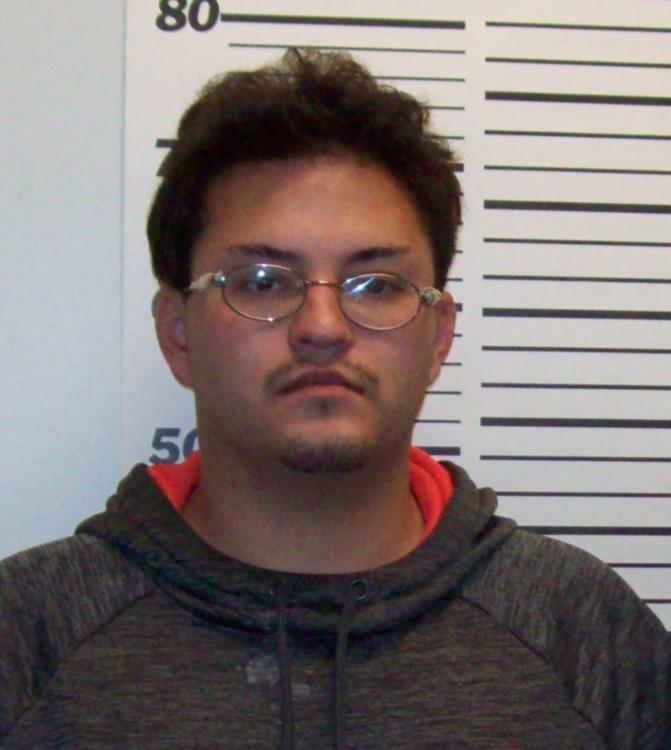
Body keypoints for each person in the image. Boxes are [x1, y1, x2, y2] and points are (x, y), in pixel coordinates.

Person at [0, 49, 669, 750]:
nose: (321, 328)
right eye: (263, 281)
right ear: (177, 333)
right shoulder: (29, 637)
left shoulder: (583, 634)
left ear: (438, 336)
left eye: (376, 286)